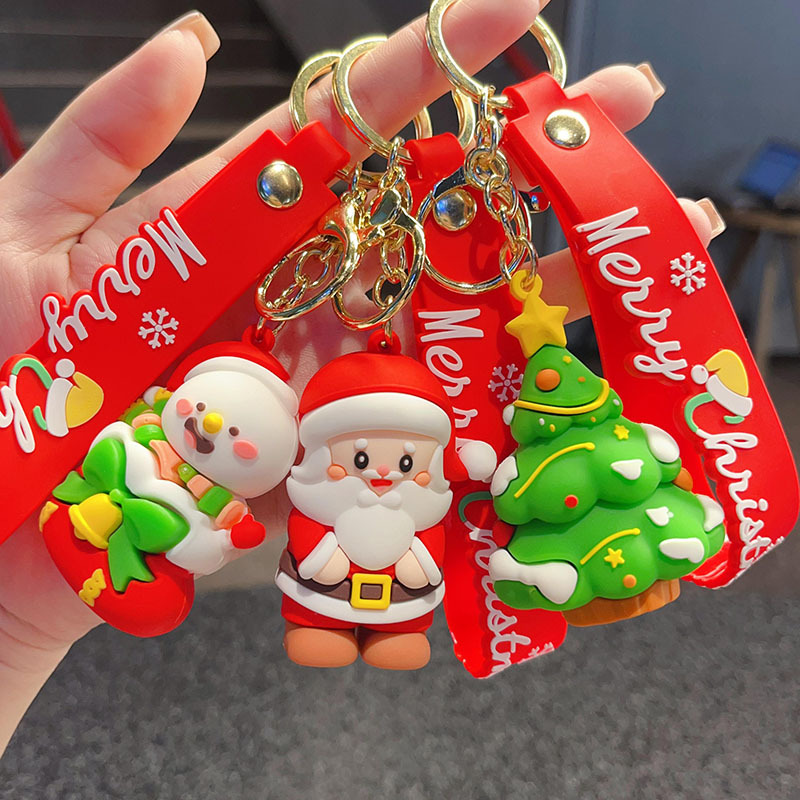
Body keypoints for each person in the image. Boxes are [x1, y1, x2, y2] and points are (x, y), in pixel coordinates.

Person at [0, 1, 723, 755]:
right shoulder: (160, 443)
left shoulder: (374, 499)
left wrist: (11, 632)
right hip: (154, 515)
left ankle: (393, 629)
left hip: (383, 576)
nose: (380, 474)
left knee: (396, 598)